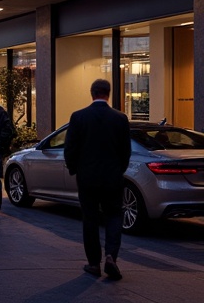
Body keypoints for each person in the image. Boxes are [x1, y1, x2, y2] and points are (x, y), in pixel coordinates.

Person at [64, 79, 131, 280]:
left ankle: (94, 263)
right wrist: (119, 170)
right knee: (114, 215)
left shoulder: (78, 117)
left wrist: (76, 170)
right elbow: (125, 151)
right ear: (108, 94)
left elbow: (70, 149)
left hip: (87, 178)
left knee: (90, 219)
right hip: (112, 177)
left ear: (92, 93)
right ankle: (111, 255)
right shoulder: (120, 119)